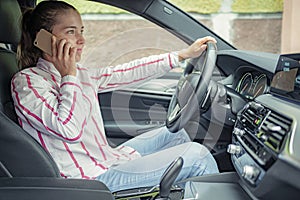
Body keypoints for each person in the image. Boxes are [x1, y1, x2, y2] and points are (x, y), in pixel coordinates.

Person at [12, 0, 219, 192]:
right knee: (197, 157)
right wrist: (68, 75)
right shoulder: (27, 82)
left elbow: (124, 72)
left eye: (81, 31)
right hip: (90, 180)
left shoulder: (80, 74)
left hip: (107, 159)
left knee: (176, 133)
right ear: (45, 39)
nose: (82, 40)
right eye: (71, 32)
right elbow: (69, 129)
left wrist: (181, 55)